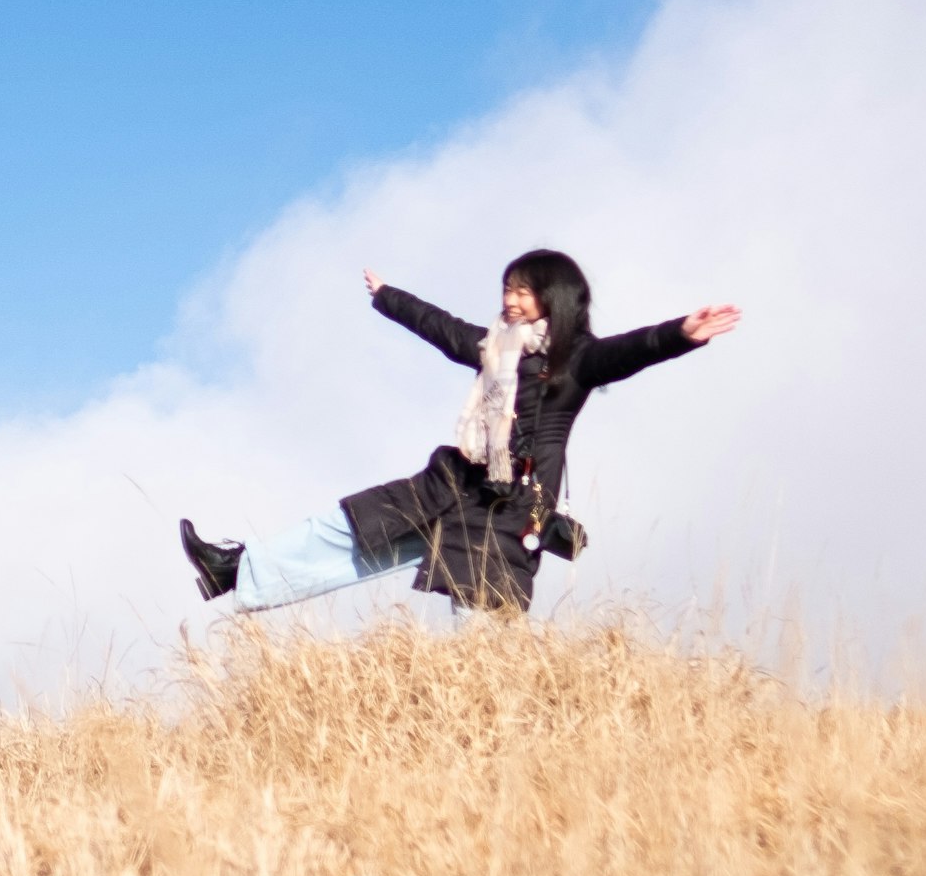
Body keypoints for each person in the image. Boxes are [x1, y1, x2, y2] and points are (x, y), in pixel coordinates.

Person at [179, 249, 742, 619]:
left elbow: (630, 351)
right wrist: (389, 297)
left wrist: (680, 334)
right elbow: (442, 328)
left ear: (556, 296)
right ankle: (235, 567)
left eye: (523, 291)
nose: (510, 300)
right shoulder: (493, 348)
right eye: (507, 289)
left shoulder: (579, 360)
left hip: (512, 509)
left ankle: (491, 725)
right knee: (352, 529)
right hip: (453, 481)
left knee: (483, 622)